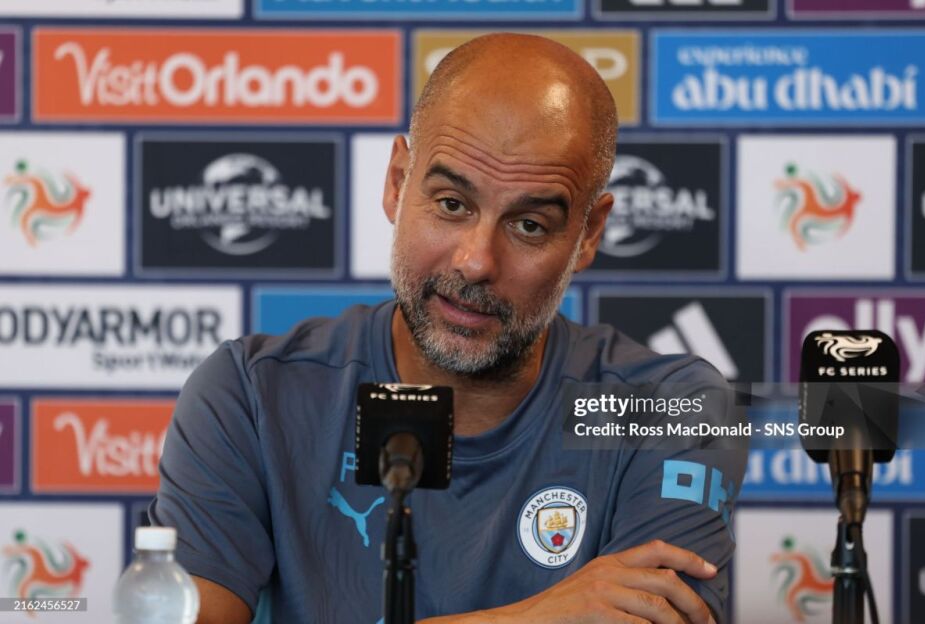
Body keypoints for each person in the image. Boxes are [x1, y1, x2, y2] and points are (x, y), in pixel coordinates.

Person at [151, 33, 747, 624]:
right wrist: (532, 619)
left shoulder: (674, 408)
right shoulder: (251, 395)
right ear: (397, 181)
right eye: (452, 204)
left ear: (589, 233)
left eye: (529, 225)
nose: (476, 261)